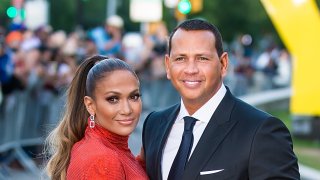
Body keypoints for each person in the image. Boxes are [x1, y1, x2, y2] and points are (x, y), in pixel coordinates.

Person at [142, 19, 299, 179]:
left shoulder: (261, 131)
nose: (191, 69)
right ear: (168, 65)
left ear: (223, 64)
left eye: (202, 58)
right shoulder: (154, 125)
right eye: (180, 58)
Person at [45, 55, 148, 179]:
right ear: (90, 105)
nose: (127, 109)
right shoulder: (103, 160)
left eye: (134, 96)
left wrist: (142, 164)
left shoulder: (102, 148)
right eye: (113, 99)